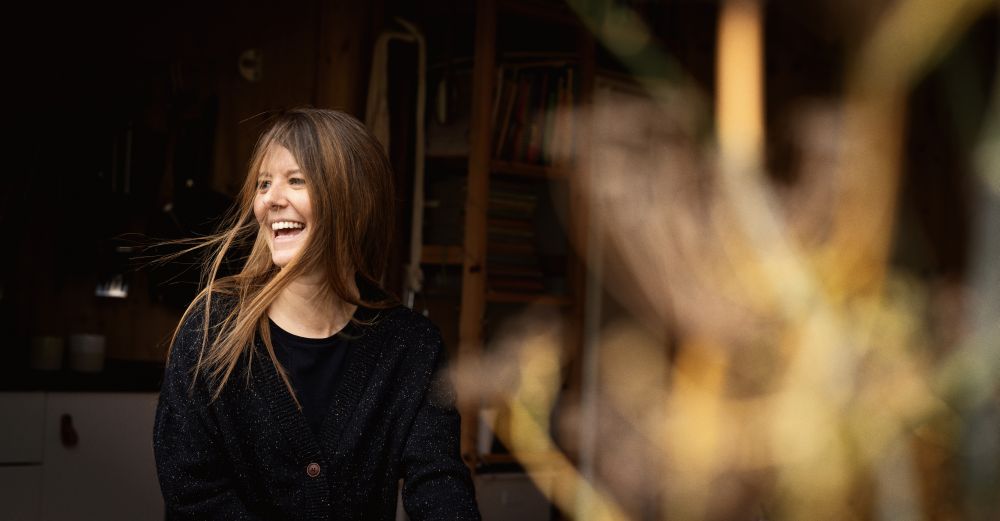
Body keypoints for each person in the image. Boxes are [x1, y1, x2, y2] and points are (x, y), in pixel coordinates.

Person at [153, 108, 481, 520]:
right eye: (263, 183)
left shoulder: (412, 346)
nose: (270, 200)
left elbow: (439, 484)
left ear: (355, 201)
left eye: (296, 180)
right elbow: (192, 494)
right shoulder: (211, 329)